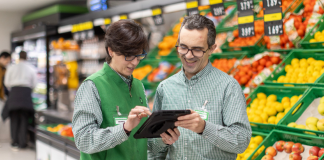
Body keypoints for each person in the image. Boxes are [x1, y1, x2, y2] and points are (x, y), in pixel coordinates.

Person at [148, 14, 252, 160]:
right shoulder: (165, 88)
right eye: (183, 48)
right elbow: (152, 149)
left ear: (211, 49)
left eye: (197, 50)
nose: (188, 56)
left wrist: (204, 128)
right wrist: (162, 140)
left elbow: (241, 141)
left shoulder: (228, 87)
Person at [72, 19, 151, 160]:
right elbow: (83, 140)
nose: (134, 62)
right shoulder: (92, 86)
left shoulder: (139, 86)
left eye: (139, 55)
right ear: (111, 50)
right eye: (129, 55)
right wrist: (125, 128)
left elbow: (140, 140)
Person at [1, 51, 37, 150]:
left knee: (14, 119)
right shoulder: (31, 68)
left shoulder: (12, 68)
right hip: (26, 95)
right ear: (27, 57)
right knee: (24, 119)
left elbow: (7, 83)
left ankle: (15, 143)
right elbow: (34, 84)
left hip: (14, 95)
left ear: (18, 57)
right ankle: (22, 143)